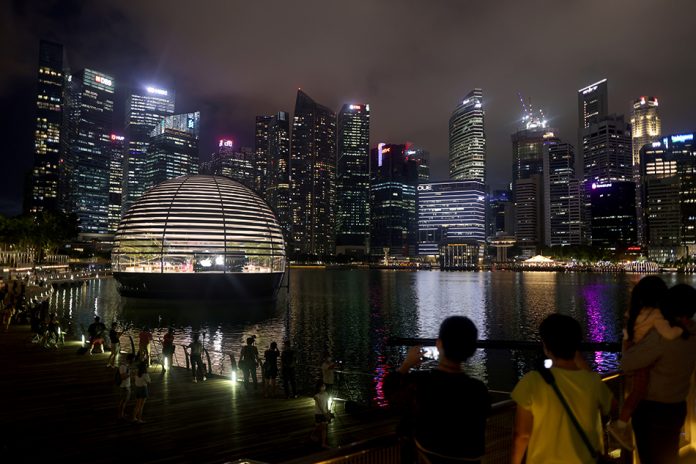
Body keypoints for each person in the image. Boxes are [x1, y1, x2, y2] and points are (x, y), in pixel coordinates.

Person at [384, 316, 491, 463]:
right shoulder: (478, 390)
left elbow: (390, 392)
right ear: (471, 350)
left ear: (439, 344)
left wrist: (406, 365)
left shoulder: (421, 385)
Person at [511, 314, 614, 464]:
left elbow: (522, 435)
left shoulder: (532, 381)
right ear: (576, 345)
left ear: (546, 346)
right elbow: (613, 407)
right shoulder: (592, 382)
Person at [621, 283, 696, 464]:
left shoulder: (661, 337)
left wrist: (627, 341)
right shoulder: (693, 332)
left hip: (652, 409)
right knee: (669, 455)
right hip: (677, 405)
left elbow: (627, 362)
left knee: (651, 458)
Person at [608, 275, 681, 450]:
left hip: (634, 355)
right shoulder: (657, 315)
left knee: (636, 391)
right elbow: (669, 334)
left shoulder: (635, 314)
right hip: (644, 360)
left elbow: (627, 338)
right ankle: (620, 425)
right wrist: (681, 329)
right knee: (639, 391)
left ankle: (622, 425)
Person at [311, 380, 331, 449]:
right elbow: (319, 405)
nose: (324, 387)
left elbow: (326, 403)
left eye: (324, 386)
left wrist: (328, 411)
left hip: (324, 413)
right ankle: (312, 434)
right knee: (318, 426)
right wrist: (325, 413)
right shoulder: (316, 396)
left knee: (324, 427)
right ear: (319, 387)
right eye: (322, 386)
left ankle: (323, 443)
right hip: (318, 413)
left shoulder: (326, 394)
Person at [117, 353, 135, 419]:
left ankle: (121, 414)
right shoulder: (123, 366)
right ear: (130, 359)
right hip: (124, 386)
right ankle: (121, 415)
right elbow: (123, 377)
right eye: (133, 359)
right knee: (124, 401)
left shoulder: (125, 365)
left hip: (126, 385)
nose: (133, 361)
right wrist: (130, 374)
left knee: (123, 401)